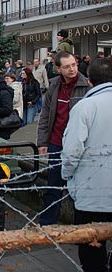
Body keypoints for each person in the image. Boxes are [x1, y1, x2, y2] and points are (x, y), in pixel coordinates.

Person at [62, 57, 112, 272]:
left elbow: (73, 150)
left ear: (90, 81)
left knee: (92, 246)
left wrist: (67, 175)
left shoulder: (85, 107)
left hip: (92, 193)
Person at [36, 51, 90, 225]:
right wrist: (43, 142)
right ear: (58, 69)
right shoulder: (54, 86)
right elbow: (46, 115)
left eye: (74, 64)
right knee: (53, 185)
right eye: (67, 66)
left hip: (79, 145)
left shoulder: (86, 86)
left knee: (80, 187)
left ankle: (81, 226)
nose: (72, 69)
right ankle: (47, 223)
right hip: (56, 143)